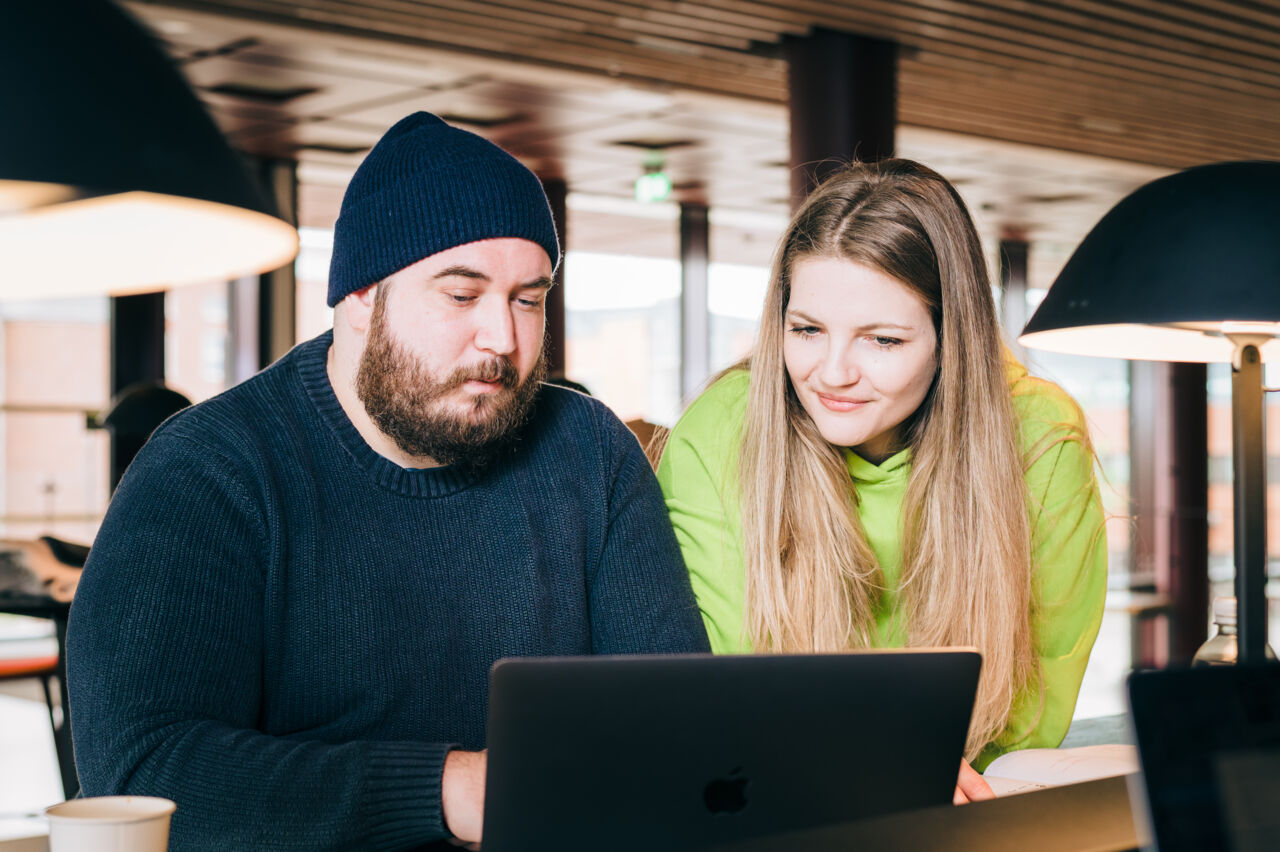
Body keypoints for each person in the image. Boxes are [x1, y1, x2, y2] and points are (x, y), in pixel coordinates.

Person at [68, 111, 709, 850]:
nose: (503, 339)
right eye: (461, 295)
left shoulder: (590, 452)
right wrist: (454, 788)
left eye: (528, 299)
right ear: (361, 300)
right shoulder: (211, 471)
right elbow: (139, 777)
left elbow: (673, 726)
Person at [657, 159, 1107, 796]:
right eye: (807, 330)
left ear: (952, 340)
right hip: (779, 793)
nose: (832, 373)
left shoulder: (1038, 433)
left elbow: (1038, 699)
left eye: (883, 341)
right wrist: (883, 762)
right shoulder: (723, 429)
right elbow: (727, 679)